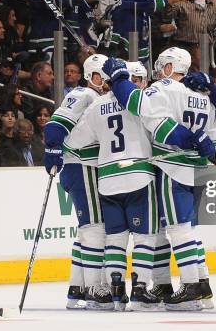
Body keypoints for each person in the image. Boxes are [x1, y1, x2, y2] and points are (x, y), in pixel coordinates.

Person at [101, 47, 216, 310]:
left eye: (162, 66)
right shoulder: (202, 96)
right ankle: (202, 284)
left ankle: (191, 287)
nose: (158, 71)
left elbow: (137, 105)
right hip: (197, 170)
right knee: (188, 228)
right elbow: (214, 138)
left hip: (174, 168)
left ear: (170, 68)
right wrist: (201, 142)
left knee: (177, 228)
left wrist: (118, 79)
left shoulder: (163, 88)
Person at [64, 61, 160, 311]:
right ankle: (139, 292)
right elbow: (159, 132)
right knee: (144, 236)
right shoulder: (138, 100)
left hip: (106, 179)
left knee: (114, 238)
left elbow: (74, 140)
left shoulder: (96, 105)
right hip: (139, 175)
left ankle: (116, 294)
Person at [43, 54, 111, 310]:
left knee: (86, 229)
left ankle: (77, 287)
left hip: (81, 167)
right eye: (101, 74)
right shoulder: (85, 94)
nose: (105, 79)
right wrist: (52, 147)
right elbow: (55, 125)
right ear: (92, 75)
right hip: (82, 166)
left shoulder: (96, 97)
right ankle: (95, 288)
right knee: (95, 227)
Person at [109, 0, 191, 65]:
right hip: (123, 52)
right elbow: (154, 2)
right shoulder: (126, 1)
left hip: (138, 53)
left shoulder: (138, 3)